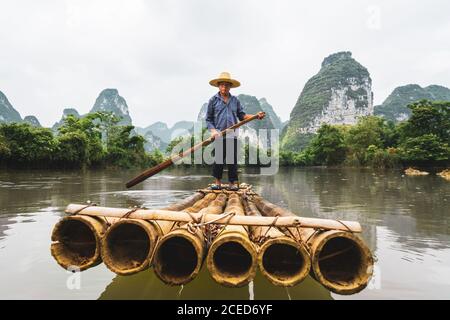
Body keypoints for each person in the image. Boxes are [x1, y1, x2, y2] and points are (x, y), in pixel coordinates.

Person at [205, 72, 265, 191]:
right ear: (218, 86)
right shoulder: (213, 100)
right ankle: (217, 183)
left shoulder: (235, 101)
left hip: (232, 134)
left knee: (232, 160)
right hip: (219, 134)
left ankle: (232, 183)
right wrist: (213, 131)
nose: (224, 87)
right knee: (218, 159)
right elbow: (208, 119)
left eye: (227, 85)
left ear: (230, 87)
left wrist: (255, 116)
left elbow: (242, 116)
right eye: (222, 85)